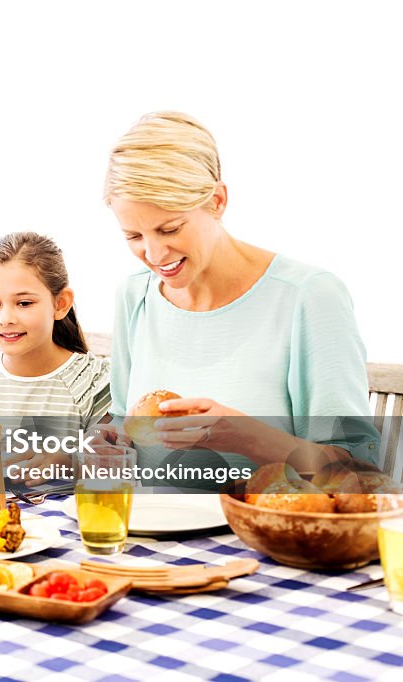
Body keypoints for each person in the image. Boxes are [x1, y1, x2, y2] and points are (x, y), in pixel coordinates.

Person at [104, 111, 378, 473]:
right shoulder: (134, 295)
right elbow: (122, 424)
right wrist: (105, 439)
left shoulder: (308, 297)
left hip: (260, 526)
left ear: (217, 201)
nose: (154, 255)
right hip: (146, 524)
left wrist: (246, 436)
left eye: (170, 229)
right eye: (134, 237)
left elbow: (356, 470)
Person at [0, 232, 111, 481]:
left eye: (24, 303)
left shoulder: (93, 383)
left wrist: (69, 462)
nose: (5, 319)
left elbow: (115, 462)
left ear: (60, 304)